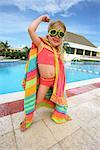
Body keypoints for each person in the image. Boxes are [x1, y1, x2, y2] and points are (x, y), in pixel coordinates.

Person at [20, 15, 71, 132]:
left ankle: (60, 114)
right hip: (45, 82)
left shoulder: (58, 52)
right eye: (54, 32)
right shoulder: (41, 45)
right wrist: (41, 18)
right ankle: (28, 119)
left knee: (61, 99)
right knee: (36, 101)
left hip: (56, 82)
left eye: (61, 34)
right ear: (48, 33)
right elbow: (31, 30)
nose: (57, 36)